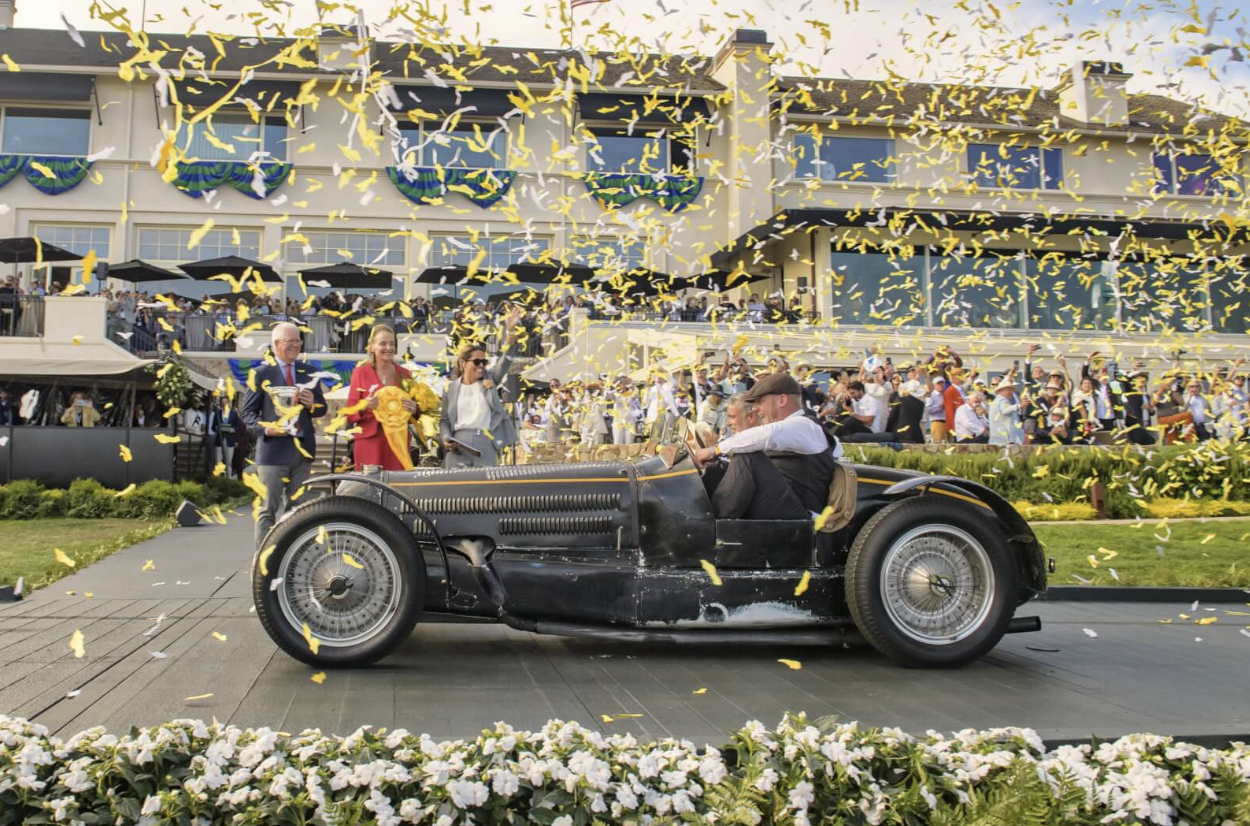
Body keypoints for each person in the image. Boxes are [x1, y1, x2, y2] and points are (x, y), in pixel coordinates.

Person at [692, 373, 840, 520]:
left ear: (782, 400)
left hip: (801, 513)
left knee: (748, 457)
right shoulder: (795, 428)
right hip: (782, 501)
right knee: (716, 468)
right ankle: (695, 514)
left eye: (759, 402)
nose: (755, 408)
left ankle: (712, 529)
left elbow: (767, 435)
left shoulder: (805, 425)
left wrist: (714, 450)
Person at [241, 322, 328, 548]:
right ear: (277, 344)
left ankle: (290, 559)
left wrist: (312, 404)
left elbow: (322, 408)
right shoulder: (260, 373)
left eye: (298, 341)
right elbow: (247, 414)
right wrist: (267, 429)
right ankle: (263, 565)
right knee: (267, 510)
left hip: (302, 452)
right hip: (272, 452)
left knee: (298, 511)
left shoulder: (308, 372)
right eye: (291, 342)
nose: (296, 346)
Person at [439, 307, 521, 468]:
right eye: (477, 361)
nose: (481, 365)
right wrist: (446, 438)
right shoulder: (451, 388)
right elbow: (444, 420)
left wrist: (510, 332)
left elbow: (506, 360)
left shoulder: (490, 379)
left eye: (484, 362)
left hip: (485, 445)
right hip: (458, 447)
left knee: (487, 491)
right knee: (456, 491)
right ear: (463, 363)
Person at [346, 325, 420, 470]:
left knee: (396, 488)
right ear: (372, 347)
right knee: (368, 490)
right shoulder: (359, 373)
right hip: (369, 442)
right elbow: (350, 413)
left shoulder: (405, 374)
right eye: (383, 343)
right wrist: (365, 406)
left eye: (392, 344)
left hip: (397, 442)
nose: (389, 348)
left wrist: (415, 409)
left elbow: (415, 412)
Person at [208, 396, 242, 478]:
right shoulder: (218, 413)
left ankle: (228, 478)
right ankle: (218, 479)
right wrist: (217, 429)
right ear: (220, 403)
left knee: (229, 461)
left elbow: (238, 426)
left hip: (230, 440)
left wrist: (233, 429)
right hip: (219, 439)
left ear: (229, 403)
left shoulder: (233, 414)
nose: (224, 404)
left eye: (225, 402)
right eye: (222, 402)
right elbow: (213, 427)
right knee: (218, 461)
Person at [988, 377, 1026, 446]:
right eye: (1009, 390)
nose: (1011, 393)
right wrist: (1019, 405)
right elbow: (1005, 410)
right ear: (1002, 390)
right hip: (1003, 437)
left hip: (998, 435)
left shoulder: (997, 400)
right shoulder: (1002, 400)